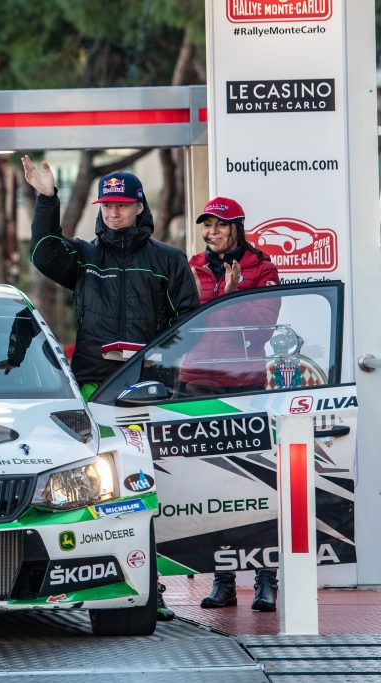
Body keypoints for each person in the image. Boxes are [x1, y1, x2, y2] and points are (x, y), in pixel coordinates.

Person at [21, 157, 200, 621]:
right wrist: (47, 199)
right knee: (105, 490)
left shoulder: (169, 260)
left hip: (148, 390)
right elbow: (43, 252)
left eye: (122, 205)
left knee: (149, 489)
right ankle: (103, 579)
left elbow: (188, 325)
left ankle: (151, 588)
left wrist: (157, 363)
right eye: (107, 206)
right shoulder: (84, 256)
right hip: (95, 387)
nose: (113, 214)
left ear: (140, 207)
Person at [187, 197, 281, 612]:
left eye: (220, 226)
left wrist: (231, 295)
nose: (212, 233)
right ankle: (222, 580)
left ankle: (265, 579)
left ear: (237, 228)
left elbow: (262, 327)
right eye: (207, 226)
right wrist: (224, 299)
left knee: (257, 484)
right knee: (211, 485)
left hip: (246, 383)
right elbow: (184, 324)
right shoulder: (191, 266)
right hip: (195, 384)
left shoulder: (263, 267)